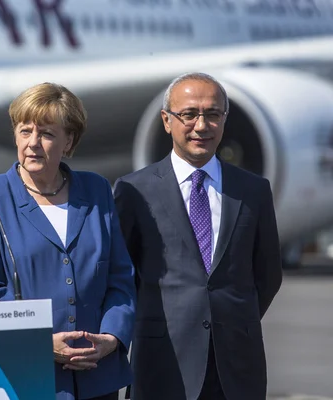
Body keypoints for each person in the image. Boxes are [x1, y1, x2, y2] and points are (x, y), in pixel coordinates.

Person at [114, 72, 283, 400]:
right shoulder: (134, 190)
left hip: (235, 366)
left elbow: (268, 275)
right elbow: (123, 276)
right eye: (189, 114)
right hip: (162, 364)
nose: (201, 126)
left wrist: (228, 319)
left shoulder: (253, 190)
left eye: (212, 114)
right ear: (167, 120)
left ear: (224, 120)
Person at [0, 82, 136, 400]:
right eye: (24, 130)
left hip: (98, 376)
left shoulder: (97, 190)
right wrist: (40, 343)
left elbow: (120, 278)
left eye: (46, 133)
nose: (33, 143)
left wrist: (111, 338)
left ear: (68, 139)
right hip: (26, 377)